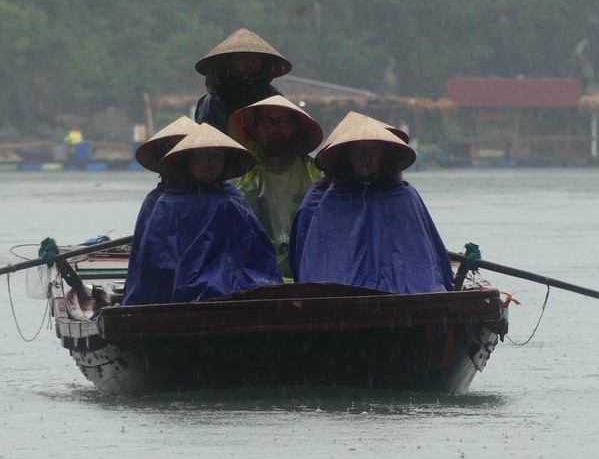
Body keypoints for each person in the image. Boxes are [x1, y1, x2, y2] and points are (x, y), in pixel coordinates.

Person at [290, 112, 454, 293]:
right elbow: (304, 258)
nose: (366, 157)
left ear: (384, 155)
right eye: (358, 149)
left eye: (374, 149)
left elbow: (426, 259)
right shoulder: (320, 199)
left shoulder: (403, 197)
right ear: (347, 155)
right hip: (336, 302)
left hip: (401, 299)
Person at [122, 124, 282, 305]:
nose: (210, 162)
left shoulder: (233, 200)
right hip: (180, 298)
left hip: (234, 294)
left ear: (226, 160)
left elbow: (257, 259)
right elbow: (155, 268)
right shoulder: (166, 204)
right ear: (188, 160)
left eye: (217, 155)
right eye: (202, 155)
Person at [226, 95, 323, 277]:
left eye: (282, 121)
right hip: (253, 281)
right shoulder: (237, 180)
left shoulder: (318, 176)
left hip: (310, 278)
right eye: (267, 122)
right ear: (255, 129)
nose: (275, 128)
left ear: (295, 127)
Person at [127, 116, 200, 283]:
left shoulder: (226, 199)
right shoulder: (156, 201)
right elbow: (148, 264)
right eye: (173, 151)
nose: (178, 158)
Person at [194, 28, 292, 132]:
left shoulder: (273, 97)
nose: (249, 63)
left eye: (255, 58)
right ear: (229, 62)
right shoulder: (214, 100)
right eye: (241, 58)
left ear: (263, 63)